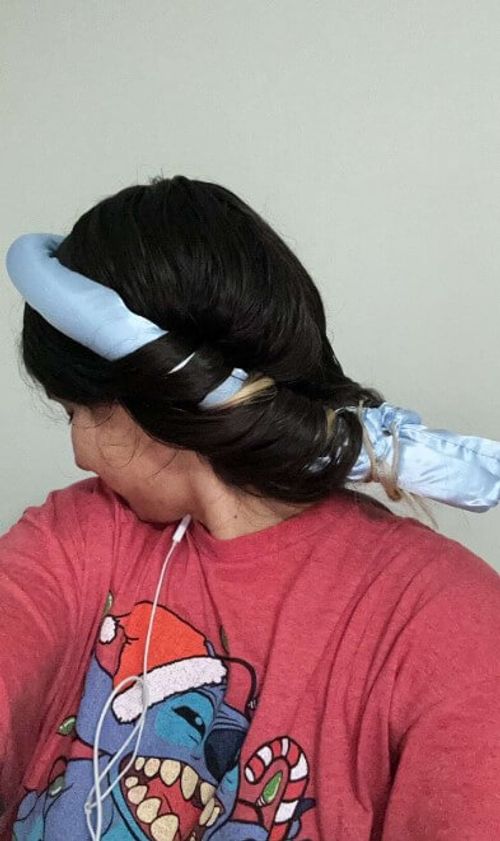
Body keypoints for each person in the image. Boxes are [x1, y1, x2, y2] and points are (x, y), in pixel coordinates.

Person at [1, 174, 500, 841]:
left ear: (160, 402)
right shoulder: (76, 536)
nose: (79, 455)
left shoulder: (448, 622)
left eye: (77, 412)